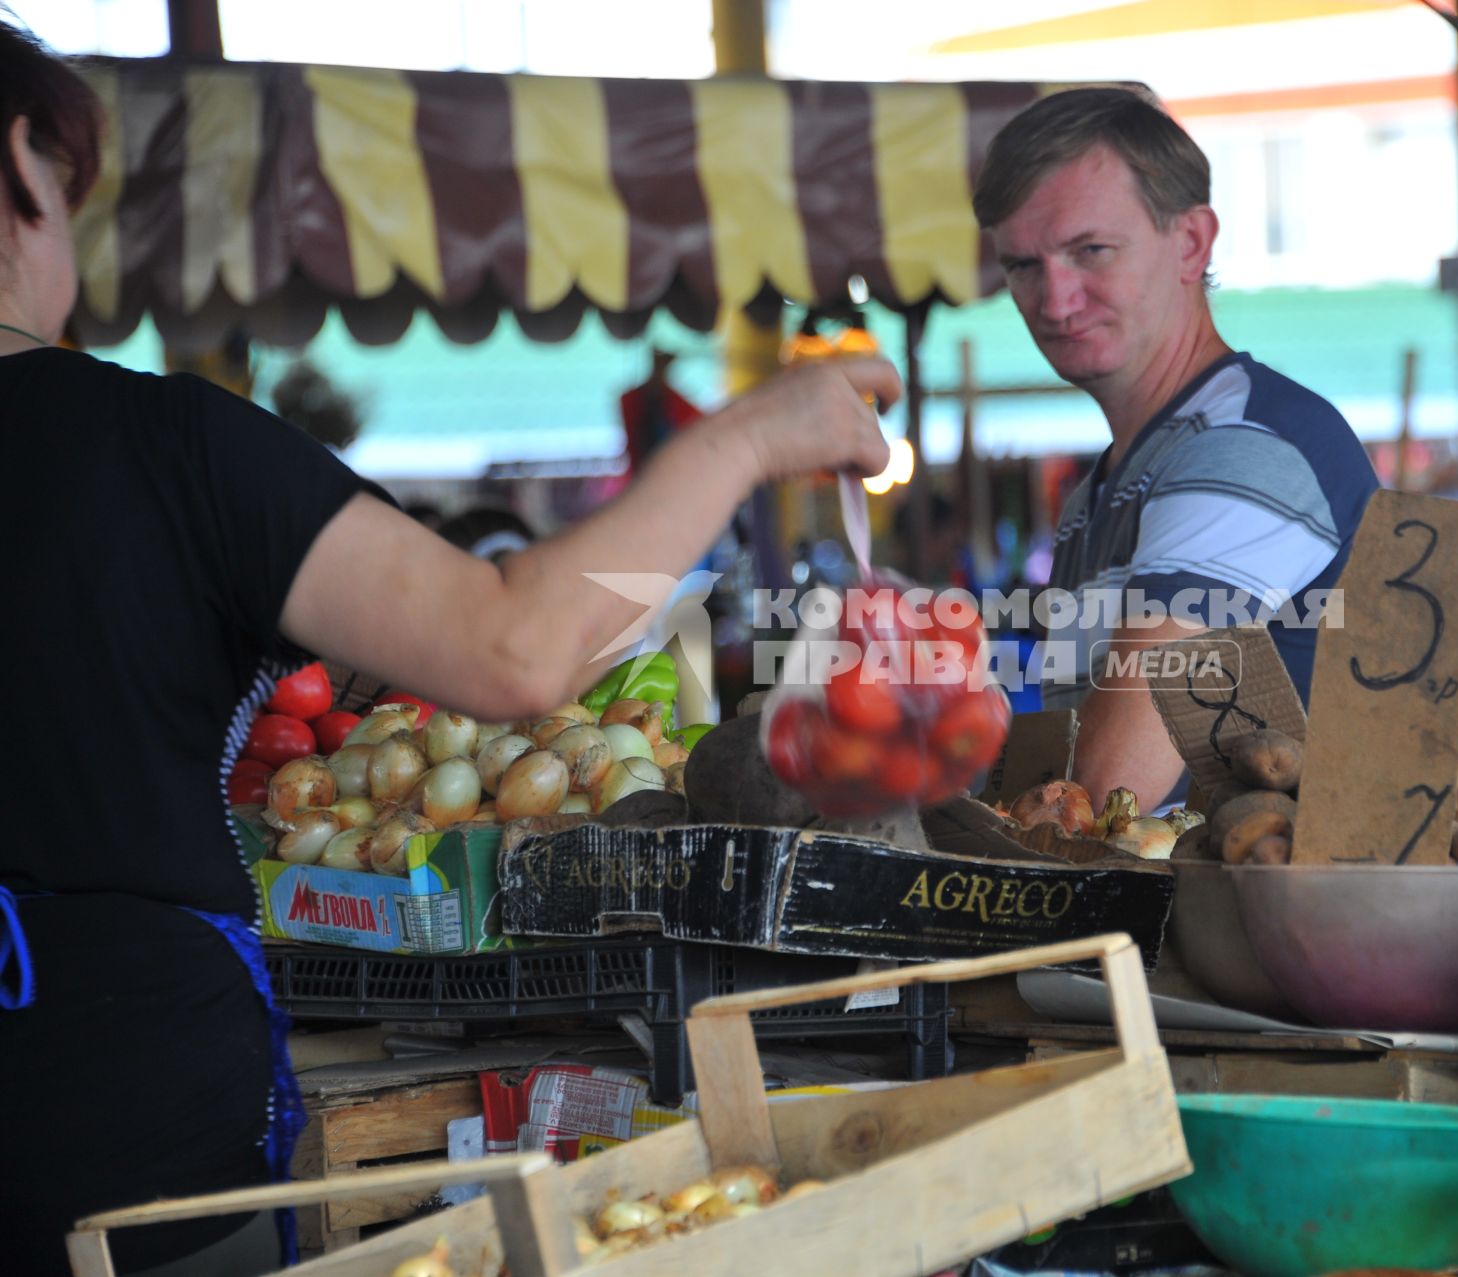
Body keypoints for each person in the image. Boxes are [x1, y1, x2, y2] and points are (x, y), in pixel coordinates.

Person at [0, 21, 894, 1275]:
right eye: (69, 193)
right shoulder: (158, 447)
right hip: (112, 1155)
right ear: (20, 166)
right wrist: (747, 437)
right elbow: (514, 647)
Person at [972, 87, 1378, 808]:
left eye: (1090, 251)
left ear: (1191, 243)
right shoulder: (1107, 485)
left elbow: (1101, 797)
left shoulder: (1237, 451)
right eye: (1023, 266)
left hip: (1257, 916)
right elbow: (1067, 766)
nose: (1055, 300)